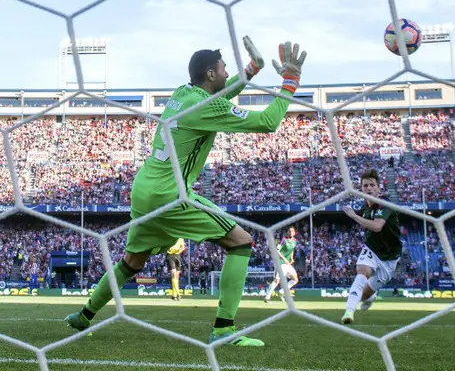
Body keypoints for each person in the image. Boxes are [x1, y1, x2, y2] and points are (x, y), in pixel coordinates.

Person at [65, 37, 308, 347]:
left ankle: (84, 315)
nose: (225, 72)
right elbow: (268, 122)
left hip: (143, 190)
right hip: (171, 193)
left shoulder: (182, 94)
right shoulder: (203, 105)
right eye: (223, 68)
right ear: (210, 73)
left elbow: (222, 92)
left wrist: (252, 70)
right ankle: (224, 329)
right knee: (241, 243)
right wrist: (290, 81)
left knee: (131, 262)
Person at [340, 170, 401, 324]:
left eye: (372, 185)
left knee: (366, 295)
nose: (368, 188)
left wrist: (354, 216)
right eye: (365, 185)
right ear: (361, 190)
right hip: (372, 249)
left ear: (378, 189)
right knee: (362, 271)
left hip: (389, 259)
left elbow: (377, 226)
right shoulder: (364, 208)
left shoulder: (385, 204)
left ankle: (370, 296)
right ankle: (348, 313)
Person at [263, 226, 298, 303]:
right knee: (277, 281)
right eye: (289, 231)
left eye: (292, 231)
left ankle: (282, 291)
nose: (291, 232)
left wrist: (291, 258)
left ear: (294, 233)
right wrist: (285, 259)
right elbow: (277, 251)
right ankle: (267, 297)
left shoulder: (295, 241)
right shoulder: (284, 240)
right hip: (281, 263)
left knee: (295, 279)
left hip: (287, 264)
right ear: (287, 232)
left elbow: (292, 250)